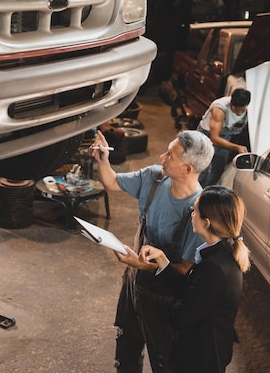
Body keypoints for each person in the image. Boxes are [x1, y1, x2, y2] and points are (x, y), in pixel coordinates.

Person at [90, 129, 214, 373]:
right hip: (134, 281)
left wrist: (139, 264)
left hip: (163, 296)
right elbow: (112, 182)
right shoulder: (154, 178)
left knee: (163, 359)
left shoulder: (198, 211)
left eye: (170, 155)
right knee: (127, 347)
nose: (161, 157)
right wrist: (103, 160)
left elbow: (183, 270)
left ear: (188, 169)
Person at [139, 186, 250, 373]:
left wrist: (153, 301)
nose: (191, 215)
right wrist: (163, 261)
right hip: (205, 352)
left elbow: (183, 316)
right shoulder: (221, 253)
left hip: (200, 359)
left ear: (206, 222)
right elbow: (193, 290)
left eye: (195, 211)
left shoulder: (214, 268)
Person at [197, 88, 251, 186]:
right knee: (201, 169)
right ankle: (192, 195)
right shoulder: (219, 108)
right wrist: (237, 147)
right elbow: (215, 139)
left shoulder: (252, 109)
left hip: (226, 136)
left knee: (218, 169)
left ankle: (205, 195)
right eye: (235, 110)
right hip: (207, 136)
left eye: (241, 110)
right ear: (231, 103)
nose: (239, 113)